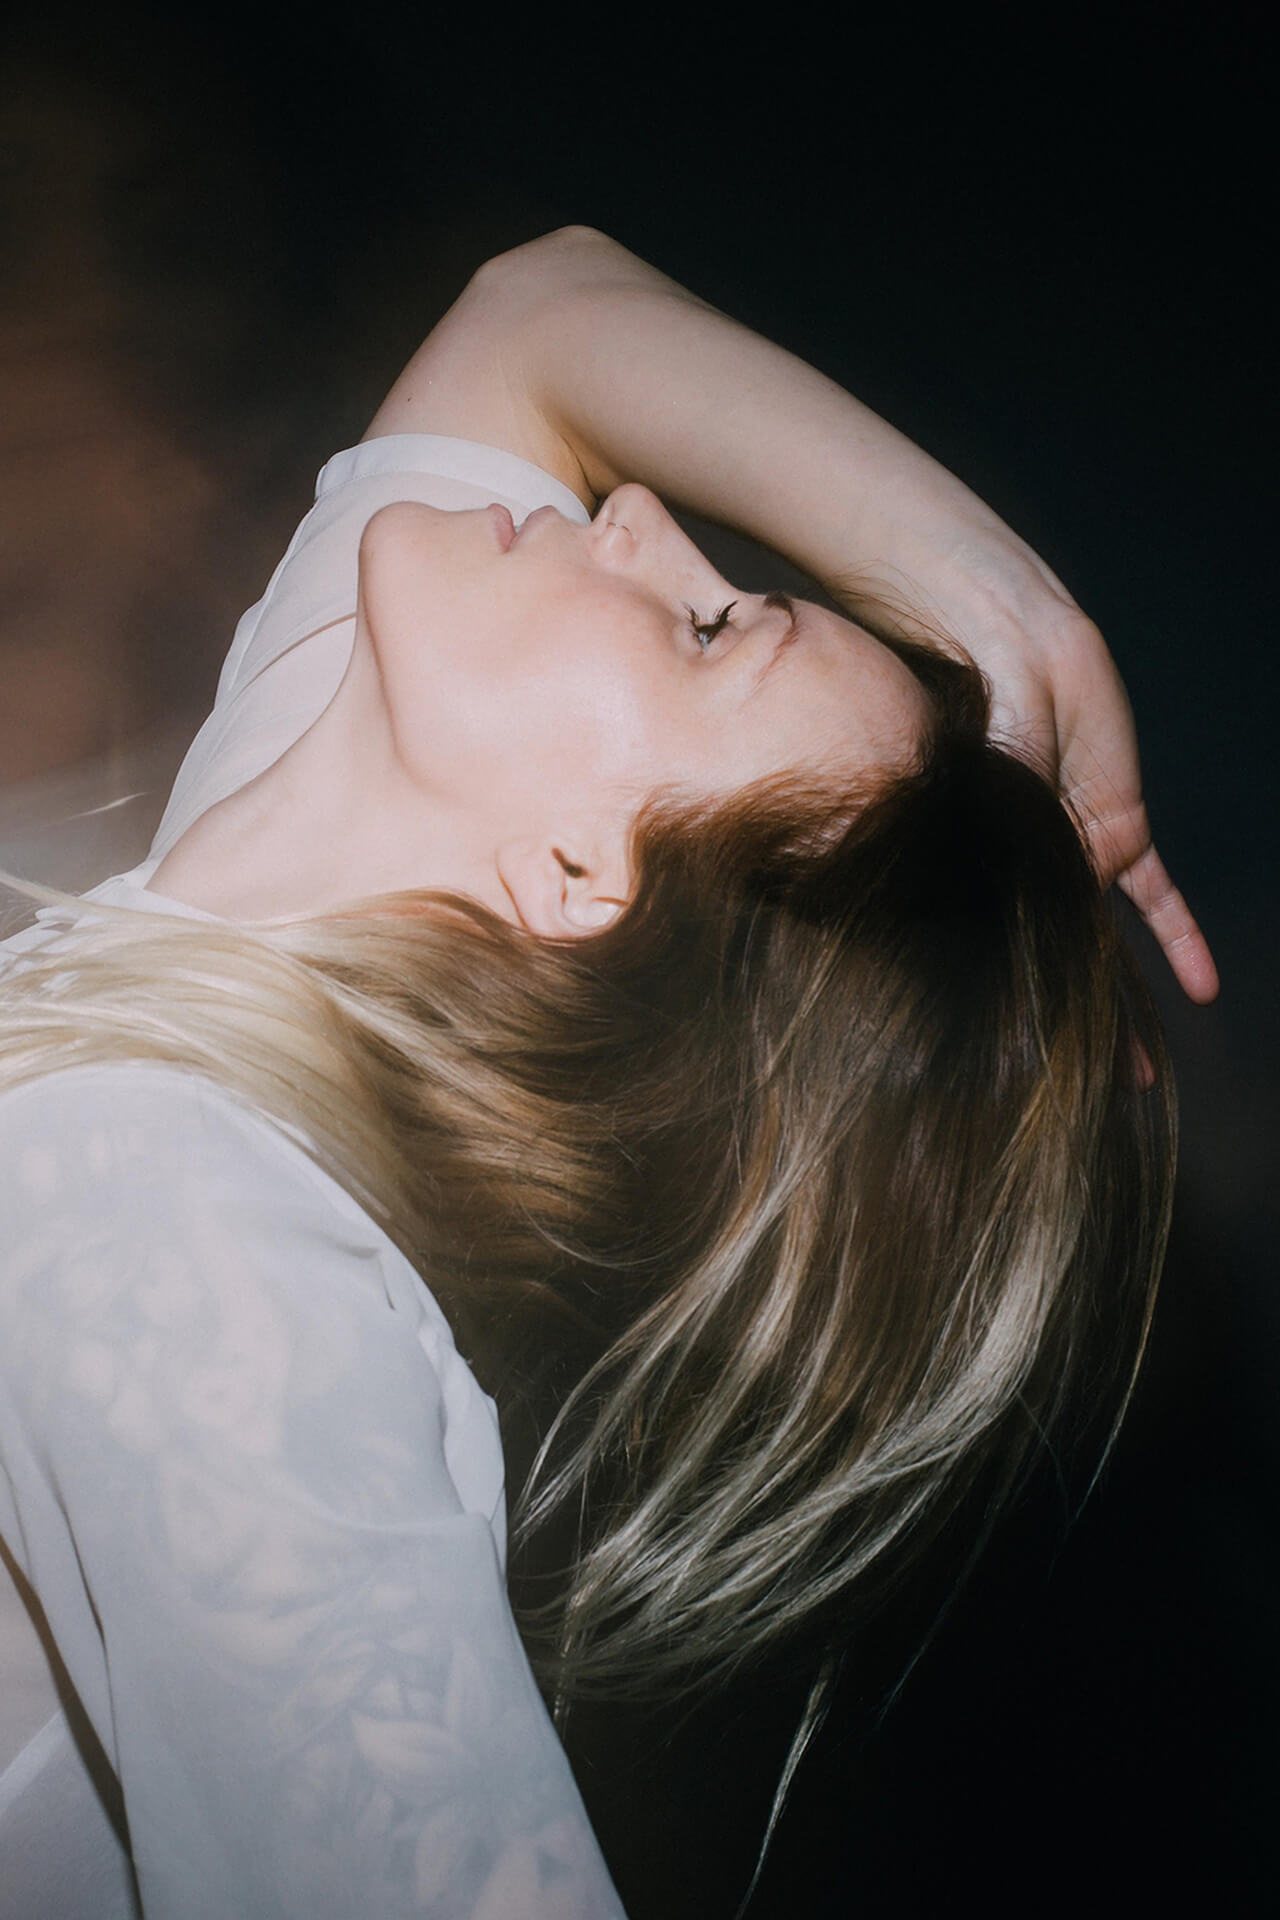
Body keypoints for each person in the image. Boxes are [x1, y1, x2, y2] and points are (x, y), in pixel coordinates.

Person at [0, 226, 1216, 1919]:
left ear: (573, 876)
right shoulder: (242, 901)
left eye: (705, 631)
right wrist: (1022, 623)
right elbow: (546, 313)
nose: (635, 514)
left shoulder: (202, 1252)